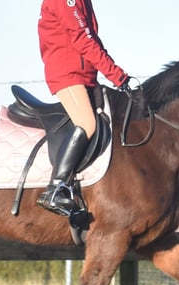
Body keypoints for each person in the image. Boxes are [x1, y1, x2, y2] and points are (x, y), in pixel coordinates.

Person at [36, 0, 131, 216]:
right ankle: (56, 188)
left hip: (85, 76)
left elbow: (92, 39)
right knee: (87, 123)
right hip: (67, 75)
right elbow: (83, 39)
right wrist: (117, 75)